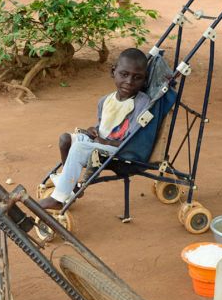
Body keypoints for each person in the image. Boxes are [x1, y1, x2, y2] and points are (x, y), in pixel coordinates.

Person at [39, 48, 150, 211]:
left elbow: (132, 138)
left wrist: (104, 141)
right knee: (66, 139)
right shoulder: (105, 100)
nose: (129, 81)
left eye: (137, 78)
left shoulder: (142, 103)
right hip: (100, 143)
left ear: (144, 80)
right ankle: (70, 184)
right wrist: (93, 130)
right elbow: (104, 127)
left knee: (78, 147)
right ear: (113, 72)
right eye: (124, 74)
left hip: (119, 150)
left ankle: (59, 198)